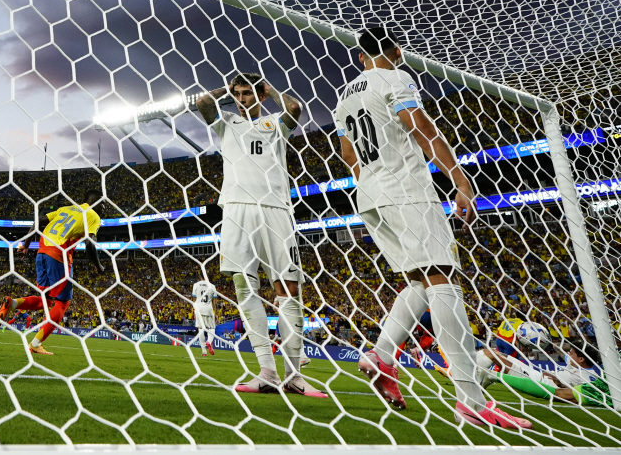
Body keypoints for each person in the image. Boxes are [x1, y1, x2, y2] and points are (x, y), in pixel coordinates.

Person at [334, 26, 531, 428]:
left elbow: (346, 153)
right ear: (397, 51)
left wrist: (372, 182)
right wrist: (460, 178)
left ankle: (382, 356)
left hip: (369, 195)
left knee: (418, 281)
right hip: (406, 189)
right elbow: (422, 127)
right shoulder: (397, 76)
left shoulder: (342, 96)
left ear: (359, 58)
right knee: (443, 280)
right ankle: (471, 400)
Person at [196, 73, 324, 398]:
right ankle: (266, 370)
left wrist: (270, 91)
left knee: (289, 288)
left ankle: (294, 375)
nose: (243, 99)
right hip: (237, 208)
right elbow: (202, 102)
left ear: (262, 95)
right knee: (243, 284)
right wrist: (227, 88)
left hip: (276, 208)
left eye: (249, 94)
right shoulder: (226, 124)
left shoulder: (274, 125)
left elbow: (295, 107)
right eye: (238, 94)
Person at [0, 190, 106, 354]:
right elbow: (90, 244)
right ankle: (35, 343)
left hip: (42, 253)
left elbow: (37, 222)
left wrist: (26, 245)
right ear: (95, 201)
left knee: (45, 302)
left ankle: (11, 303)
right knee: (62, 303)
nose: (104, 208)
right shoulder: (93, 216)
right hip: (59, 256)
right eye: (103, 204)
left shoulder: (65, 209)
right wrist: (98, 266)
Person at [477, 338, 601, 390]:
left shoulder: (589, 376)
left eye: (572, 353)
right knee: (492, 351)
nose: (569, 355)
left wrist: (561, 384)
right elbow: (556, 347)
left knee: (492, 355)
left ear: (581, 359)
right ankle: (487, 377)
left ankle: (471, 373)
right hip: (535, 373)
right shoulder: (573, 363)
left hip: (539, 383)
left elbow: (586, 394)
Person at [192, 279, 217, 357]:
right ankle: (209, 341)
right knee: (212, 327)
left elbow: (194, 298)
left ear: (200, 276)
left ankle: (204, 351)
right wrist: (215, 313)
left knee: (200, 329)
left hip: (198, 309)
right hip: (208, 309)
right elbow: (215, 301)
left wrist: (194, 310)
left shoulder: (196, 285)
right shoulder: (212, 286)